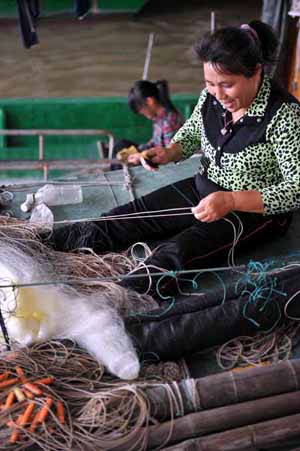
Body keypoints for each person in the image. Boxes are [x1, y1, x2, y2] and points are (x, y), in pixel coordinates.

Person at [47, 20, 300, 298]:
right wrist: (169, 152)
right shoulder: (212, 98)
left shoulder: (284, 115)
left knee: (174, 254)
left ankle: (108, 308)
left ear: (256, 72)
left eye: (227, 85)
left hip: (253, 212)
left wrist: (231, 200)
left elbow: (295, 189)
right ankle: (41, 245)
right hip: (204, 186)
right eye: (210, 84)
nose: (218, 94)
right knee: (122, 218)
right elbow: (192, 133)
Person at [110, 79, 184, 169]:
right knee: (120, 145)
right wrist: (137, 150)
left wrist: (141, 156)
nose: (143, 114)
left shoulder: (169, 122)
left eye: (142, 111)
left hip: (163, 162)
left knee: (122, 162)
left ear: (149, 101)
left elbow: (169, 155)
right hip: (155, 152)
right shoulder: (159, 118)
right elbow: (154, 141)